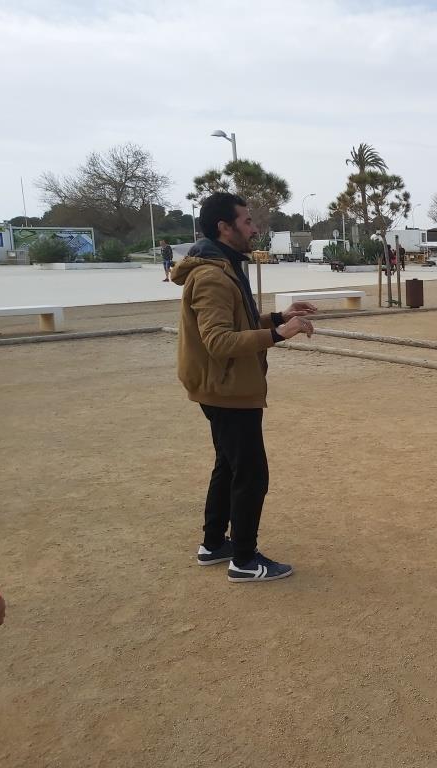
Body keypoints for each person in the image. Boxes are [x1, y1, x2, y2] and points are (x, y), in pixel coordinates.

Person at [172, 192, 317, 583]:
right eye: (247, 221)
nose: (254, 228)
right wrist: (279, 333)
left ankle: (213, 544)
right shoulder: (211, 276)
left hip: (225, 385)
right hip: (228, 389)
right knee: (251, 474)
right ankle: (245, 560)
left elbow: (239, 323)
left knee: (229, 465)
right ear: (225, 227)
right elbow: (219, 341)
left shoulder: (223, 266)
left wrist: (278, 317)